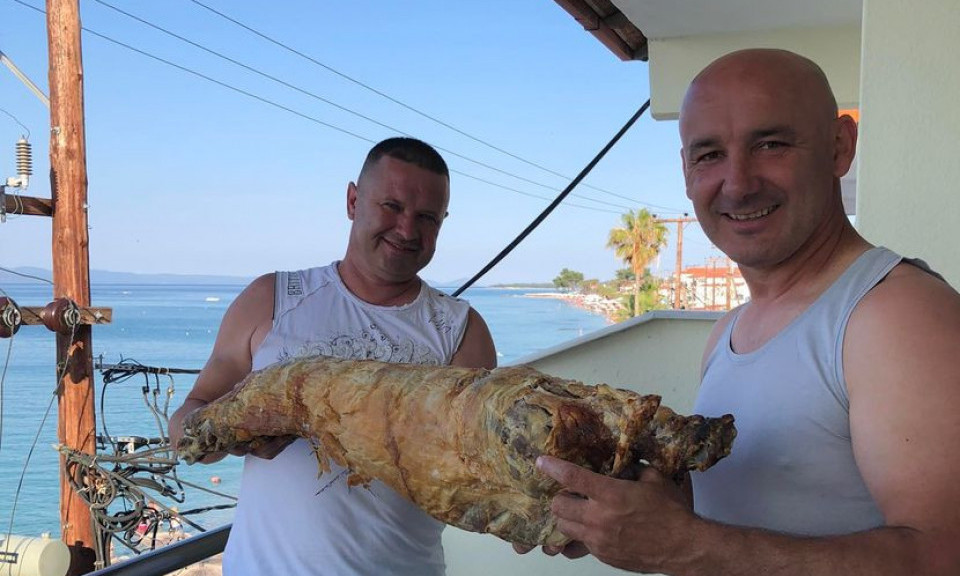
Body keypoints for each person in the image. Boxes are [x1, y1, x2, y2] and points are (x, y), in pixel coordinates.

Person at [524, 49, 960, 574]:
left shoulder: (896, 314)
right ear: (686, 172)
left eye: (771, 144)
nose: (738, 183)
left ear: (840, 147)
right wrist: (620, 518)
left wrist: (683, 545)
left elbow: (943, 553)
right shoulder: (731, 329)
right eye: (709, 155)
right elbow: (729, 518)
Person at [169, 137, 497, 575]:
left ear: (443, 222)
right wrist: (233, 432)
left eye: (426, 218)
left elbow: (478, 474)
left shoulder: (462, 332)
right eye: (391, 207)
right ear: (353, 200)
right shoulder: (272, 299)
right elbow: (187, 422)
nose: (407, 230)